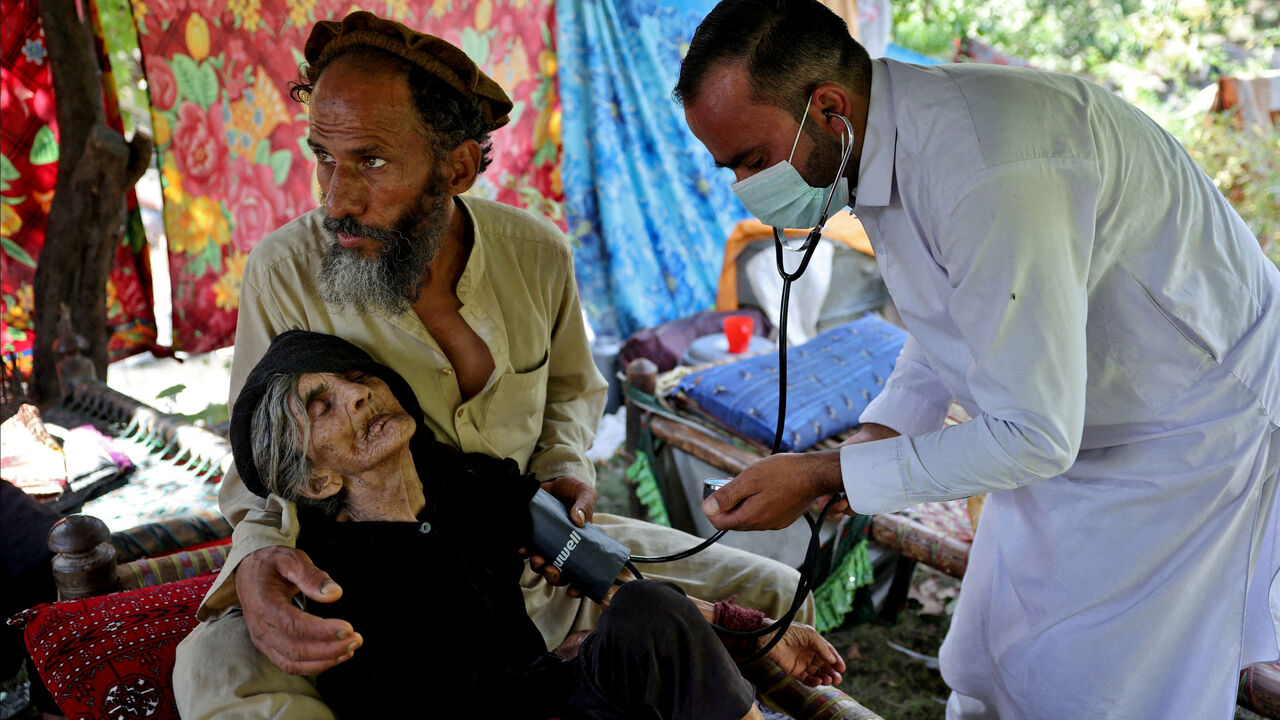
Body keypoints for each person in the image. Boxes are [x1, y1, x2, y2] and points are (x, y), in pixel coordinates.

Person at [174, 11, 814, 717]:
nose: (336, 198)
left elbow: (570, 394)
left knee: (777, 595)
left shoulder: (536, 254)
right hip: (371, 593)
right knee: (212, 666)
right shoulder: (285, 270)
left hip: (534, 551)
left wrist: (563, 473)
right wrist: (256, 566)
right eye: (323, 156)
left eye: (371, 161)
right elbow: (259, 466)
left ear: (456, 168)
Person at [676, 1, 1280, 718]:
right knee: (995, 656)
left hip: (1186, 429)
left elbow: (1038, 435)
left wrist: (822, 473)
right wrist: (882, 433)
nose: (746, 188)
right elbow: (956, 313)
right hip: (1067, 417)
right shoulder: (880, 143)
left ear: (829, 109)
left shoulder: (986, 168)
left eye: (752, 160)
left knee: (1106, 688)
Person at [196, 329, 843, 719]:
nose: (357, 393)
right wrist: (559, 669)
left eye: (356, 375)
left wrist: (745, 628)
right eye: (322, 406)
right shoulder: (332, 576)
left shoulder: (463, 481)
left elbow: (595, 567)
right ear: (316, 481)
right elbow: (414, 708)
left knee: (646, 608)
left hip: (561, 697)